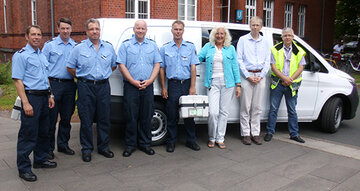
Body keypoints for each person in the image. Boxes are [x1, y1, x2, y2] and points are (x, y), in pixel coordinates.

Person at [67, 18, 117, 162]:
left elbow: (113, 65)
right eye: (91, 29)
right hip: (85, 87)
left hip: (103, 86)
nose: (94, 31)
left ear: (100, 31)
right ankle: (87, 149)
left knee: (104, 118)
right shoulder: (78, 48)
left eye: (97, 29)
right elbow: (70, 67)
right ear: (86, 31)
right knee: (86, 119)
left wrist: (102, 75)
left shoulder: (108, 47)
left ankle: (103, 147)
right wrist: (83, 78)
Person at [12, 25, 57, 182]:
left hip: (45, 97)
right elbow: (18, 80)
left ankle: (40, 159)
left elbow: (47, 78)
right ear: (27, 37)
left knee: (44, 131)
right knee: (28, 134)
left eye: (39, 34)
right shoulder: (21, 55)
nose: (37, 37)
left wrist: (50, 95)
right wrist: (25, 103)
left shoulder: (41, 55)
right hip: (31, 98)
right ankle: (24, 168)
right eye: (33, 34)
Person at [117, 20, 161, 157]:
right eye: (138, 28)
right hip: (131, 86)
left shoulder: (153, 46)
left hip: (147, 86)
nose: (140, 30)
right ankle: (130, 145)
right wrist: (133, 81)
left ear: (146, 30)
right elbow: (121, 65)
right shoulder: (126, 46)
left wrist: (150, 81)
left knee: (146, 116)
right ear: (134, 29)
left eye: (142, 28)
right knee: (131, 116)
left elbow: (157, 64)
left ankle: (145, 144)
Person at [159, 20, 200, 153]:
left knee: (189, 115)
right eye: (175, 29)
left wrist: (192, 87)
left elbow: (193, 68)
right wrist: (163, 88)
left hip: (186, 84)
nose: (178, 32)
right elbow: (162, 70)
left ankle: (191, 141)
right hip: (173, 85)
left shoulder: (190, 47)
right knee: (172, 115)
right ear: (172, 31)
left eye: (180, 29)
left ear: (183, 31)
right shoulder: (165, 48)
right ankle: (171, 141)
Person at [198, 26, 241, 149]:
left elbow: (235, 67)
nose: (220, 36)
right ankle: (212, 137)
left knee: (224, 112)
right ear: (214, 35)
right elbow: (197, 58)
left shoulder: (230, 48)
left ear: (225, 35)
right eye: (217, 34)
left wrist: (238, 85)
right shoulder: (208, 47)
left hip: (228, 83)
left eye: (222, 34)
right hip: (213, 83)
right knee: (213, 112)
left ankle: (220, 138)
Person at [264, 28, 306, 143]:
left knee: (292, 110)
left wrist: (290, 79)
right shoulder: (275, 49)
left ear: (293, 37)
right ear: (282, 37)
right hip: (278, 83)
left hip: (291, 85)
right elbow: (273, 66)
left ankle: (294, 134)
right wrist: (284, 78)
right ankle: (270, 132)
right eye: (285, 35)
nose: (287, 37)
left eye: (290, 35)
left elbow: (301, 67)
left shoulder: (299, 51)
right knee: (273, 109)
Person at [42, 18, 76, 159]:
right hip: (54, 84)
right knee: (51, 119)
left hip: (69, 84)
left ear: (71, 29)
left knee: (66, 118)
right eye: (63, 28)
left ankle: (63, 145)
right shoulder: (49, 46)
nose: (65, 31)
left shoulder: (75, 46)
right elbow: (43, 68)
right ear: (58, 29)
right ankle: (49, 148)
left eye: (68, 28)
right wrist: (48, 89)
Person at [237, 16, 270, 145]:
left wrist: (261, 76)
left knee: (257, 107)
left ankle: (255, 133)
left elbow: (268, 61)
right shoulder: (243, 40)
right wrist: (247, 76)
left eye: (257, 25)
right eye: (253, 25)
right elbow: (239, 60)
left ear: (261, 27)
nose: (255, 27)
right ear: (249, 26)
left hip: (260, 77)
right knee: (245, 107)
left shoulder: (265, 41)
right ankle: (245, 133)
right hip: (247, 77)